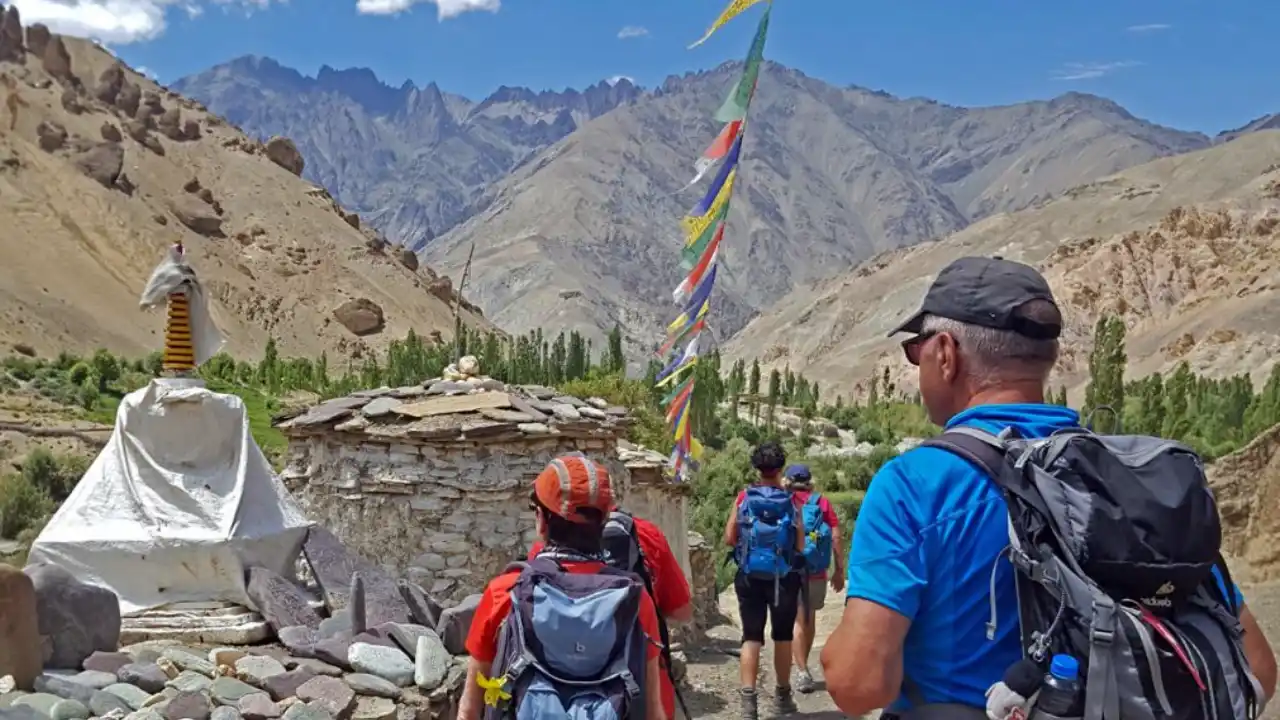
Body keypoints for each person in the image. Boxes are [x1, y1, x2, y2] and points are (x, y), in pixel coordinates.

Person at [820, 256, 1278, 717]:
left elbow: (858, 686)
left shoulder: (914, 485)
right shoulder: (1134, 478)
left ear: (945, 353)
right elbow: (1258, 668)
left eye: (915, 352)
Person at [459, 454, 668, 720]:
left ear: (542, 521)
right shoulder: (634, 600)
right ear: (604, 523)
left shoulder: (506, 592)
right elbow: (653, 712)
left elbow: (469, 709)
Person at [528, 505, 693, 720]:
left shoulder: (539, 560)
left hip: (554, 703)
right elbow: (682, 611)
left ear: (543, 521)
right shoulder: (645, 537)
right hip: (639, 695)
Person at [723, 440, 805, 720]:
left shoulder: (744, 498)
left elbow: (729, 538)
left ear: (757, 468)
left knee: (751, 636)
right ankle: (782, 698)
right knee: (782, 636)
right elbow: (800, 545)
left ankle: (748, 704)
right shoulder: (791, 501)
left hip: (749, 576)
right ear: (781, 468)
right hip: (783, 578)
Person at [782, 463, 844, 694]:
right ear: (809, 481)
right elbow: (836, 536)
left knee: (797, 621)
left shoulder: (784, 501)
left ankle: (801, 671)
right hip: (817, 570)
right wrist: (839, 569)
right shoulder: (822, 502)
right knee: (809, 618)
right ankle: (803, 666)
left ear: (788, 480)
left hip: (789, 568)